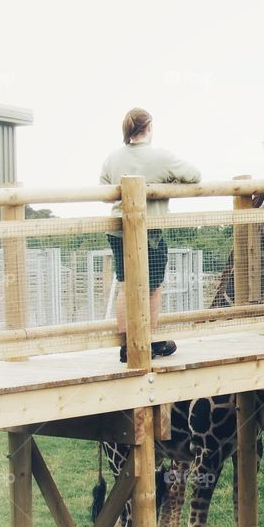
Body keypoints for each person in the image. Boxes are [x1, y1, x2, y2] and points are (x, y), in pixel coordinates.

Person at [100, 107, 201, 362]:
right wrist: (166, 185)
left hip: (118, 230)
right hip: (149, 232)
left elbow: (103, 189)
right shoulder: (161, 157)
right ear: (150, 127)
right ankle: (151, 340)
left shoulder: (113, 157)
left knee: (125, 286)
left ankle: (126, 344)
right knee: (153, 287)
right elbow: (195, 176)